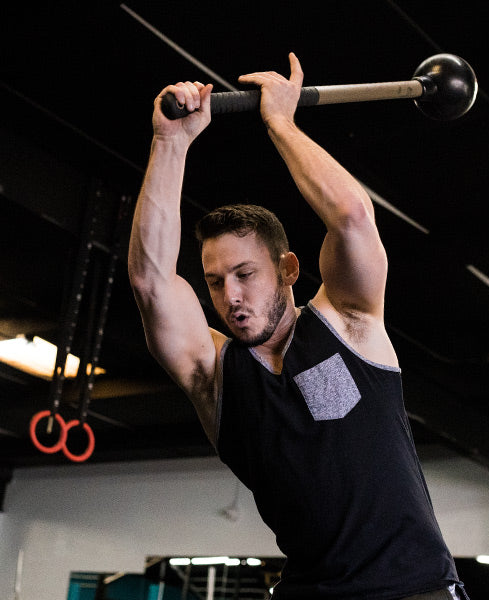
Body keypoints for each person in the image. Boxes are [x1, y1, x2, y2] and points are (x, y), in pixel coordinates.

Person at [128, 53, 469, 600]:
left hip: (414, 589)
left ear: (288, 269)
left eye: (245, 274)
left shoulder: (349, 323)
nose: (231, 297)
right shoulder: (214, 376)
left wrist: (281, 123)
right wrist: (170, 143)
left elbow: (351, 217)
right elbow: (150, 281)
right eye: (215, 282)